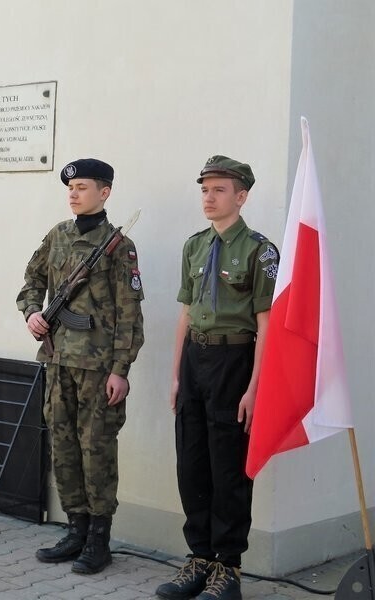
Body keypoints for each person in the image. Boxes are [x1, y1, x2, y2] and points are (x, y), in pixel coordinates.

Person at [155, 156, 278, 600]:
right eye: (205, 188)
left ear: (241, 197)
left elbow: (266, 324)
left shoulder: (260, 251)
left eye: (219, 189)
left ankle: (229, 568)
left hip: (234, 363)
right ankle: (200, 559)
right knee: (192, 464)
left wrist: (254, 387)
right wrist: (174, 377)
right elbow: (185, 314)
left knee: (227, 468)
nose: (209, 196)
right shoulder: (194, 246)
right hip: (195, 362)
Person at [17, 158, 144, 575]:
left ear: (104, 193)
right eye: (70, 188)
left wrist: (120, 369)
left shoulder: (117, 246)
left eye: (83, 187)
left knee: (97, 451)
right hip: (57, 361)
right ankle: (75, 529)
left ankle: (99, 540)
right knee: (64, 446)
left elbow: (129, 316)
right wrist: (33, 312)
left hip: (96, 368)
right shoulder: (57, 236)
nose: (73, 194)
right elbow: (31, 280)